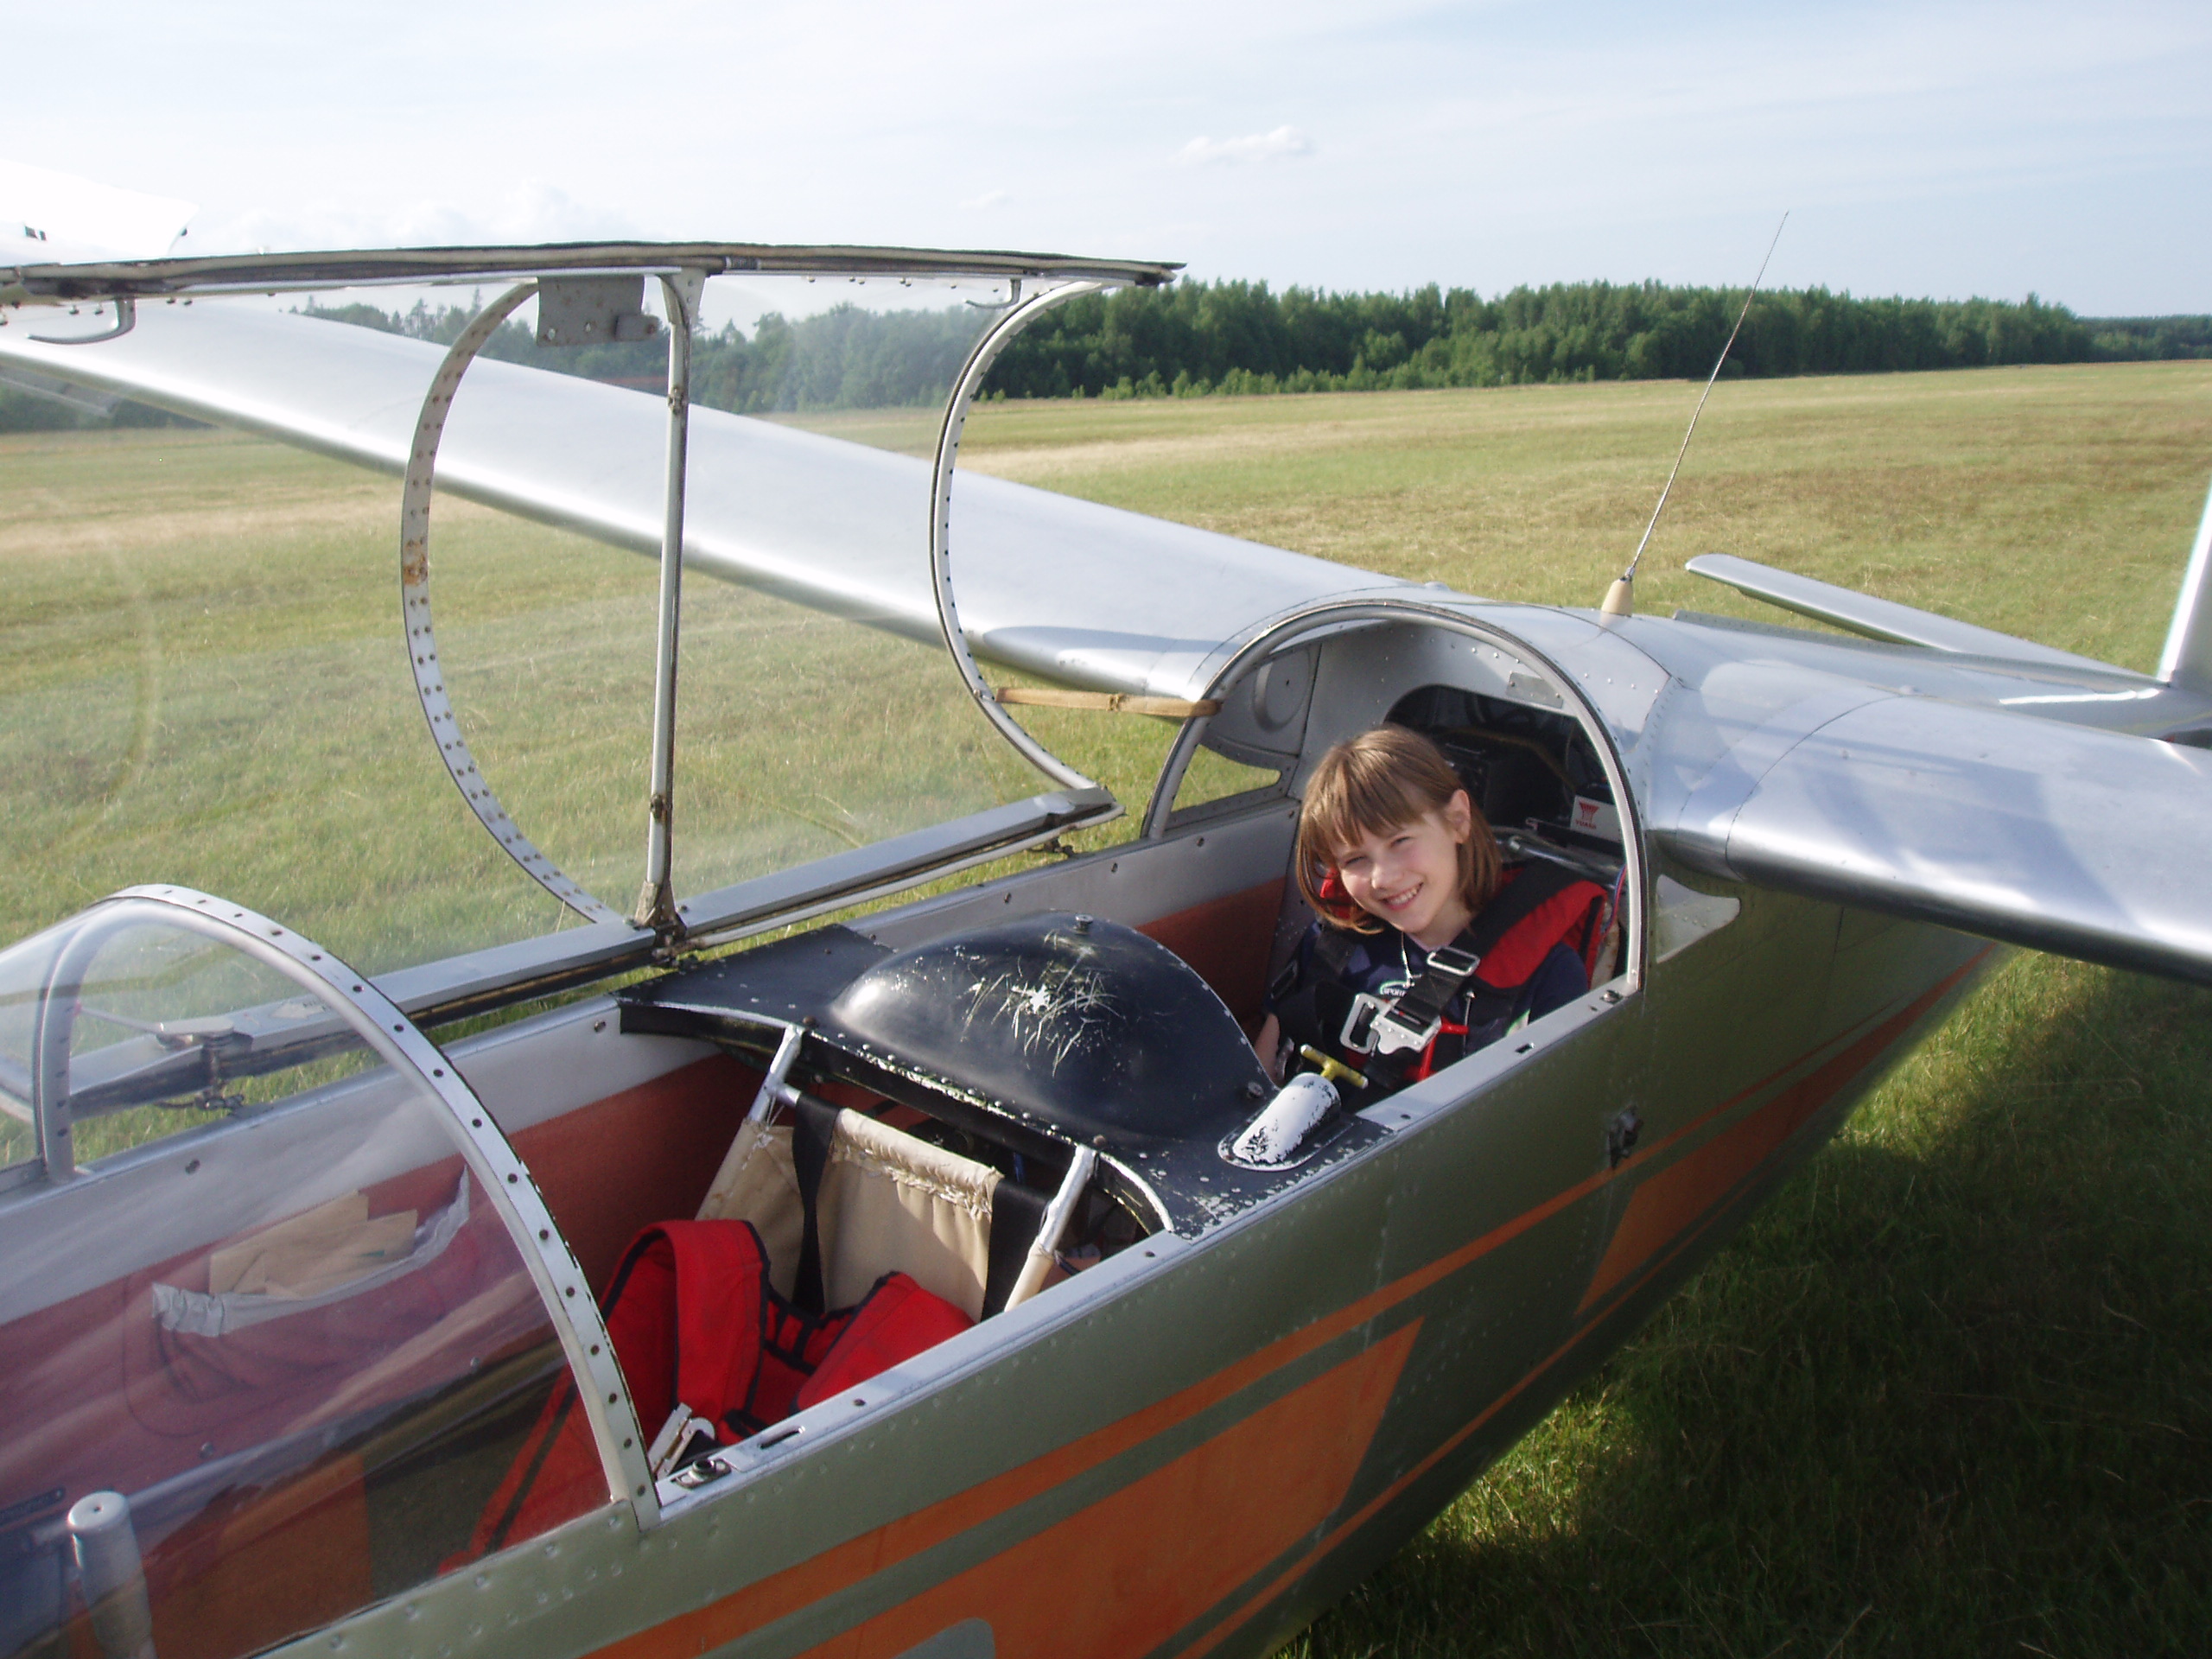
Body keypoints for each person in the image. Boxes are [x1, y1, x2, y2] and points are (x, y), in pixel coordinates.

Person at [1255, 725, 1611, 1091]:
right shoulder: (1332, 948)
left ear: (1458, 819)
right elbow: (1262, 1075)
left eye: (1400, 840)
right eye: (1355, 859)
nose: (1384, 877)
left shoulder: (1546, 973)